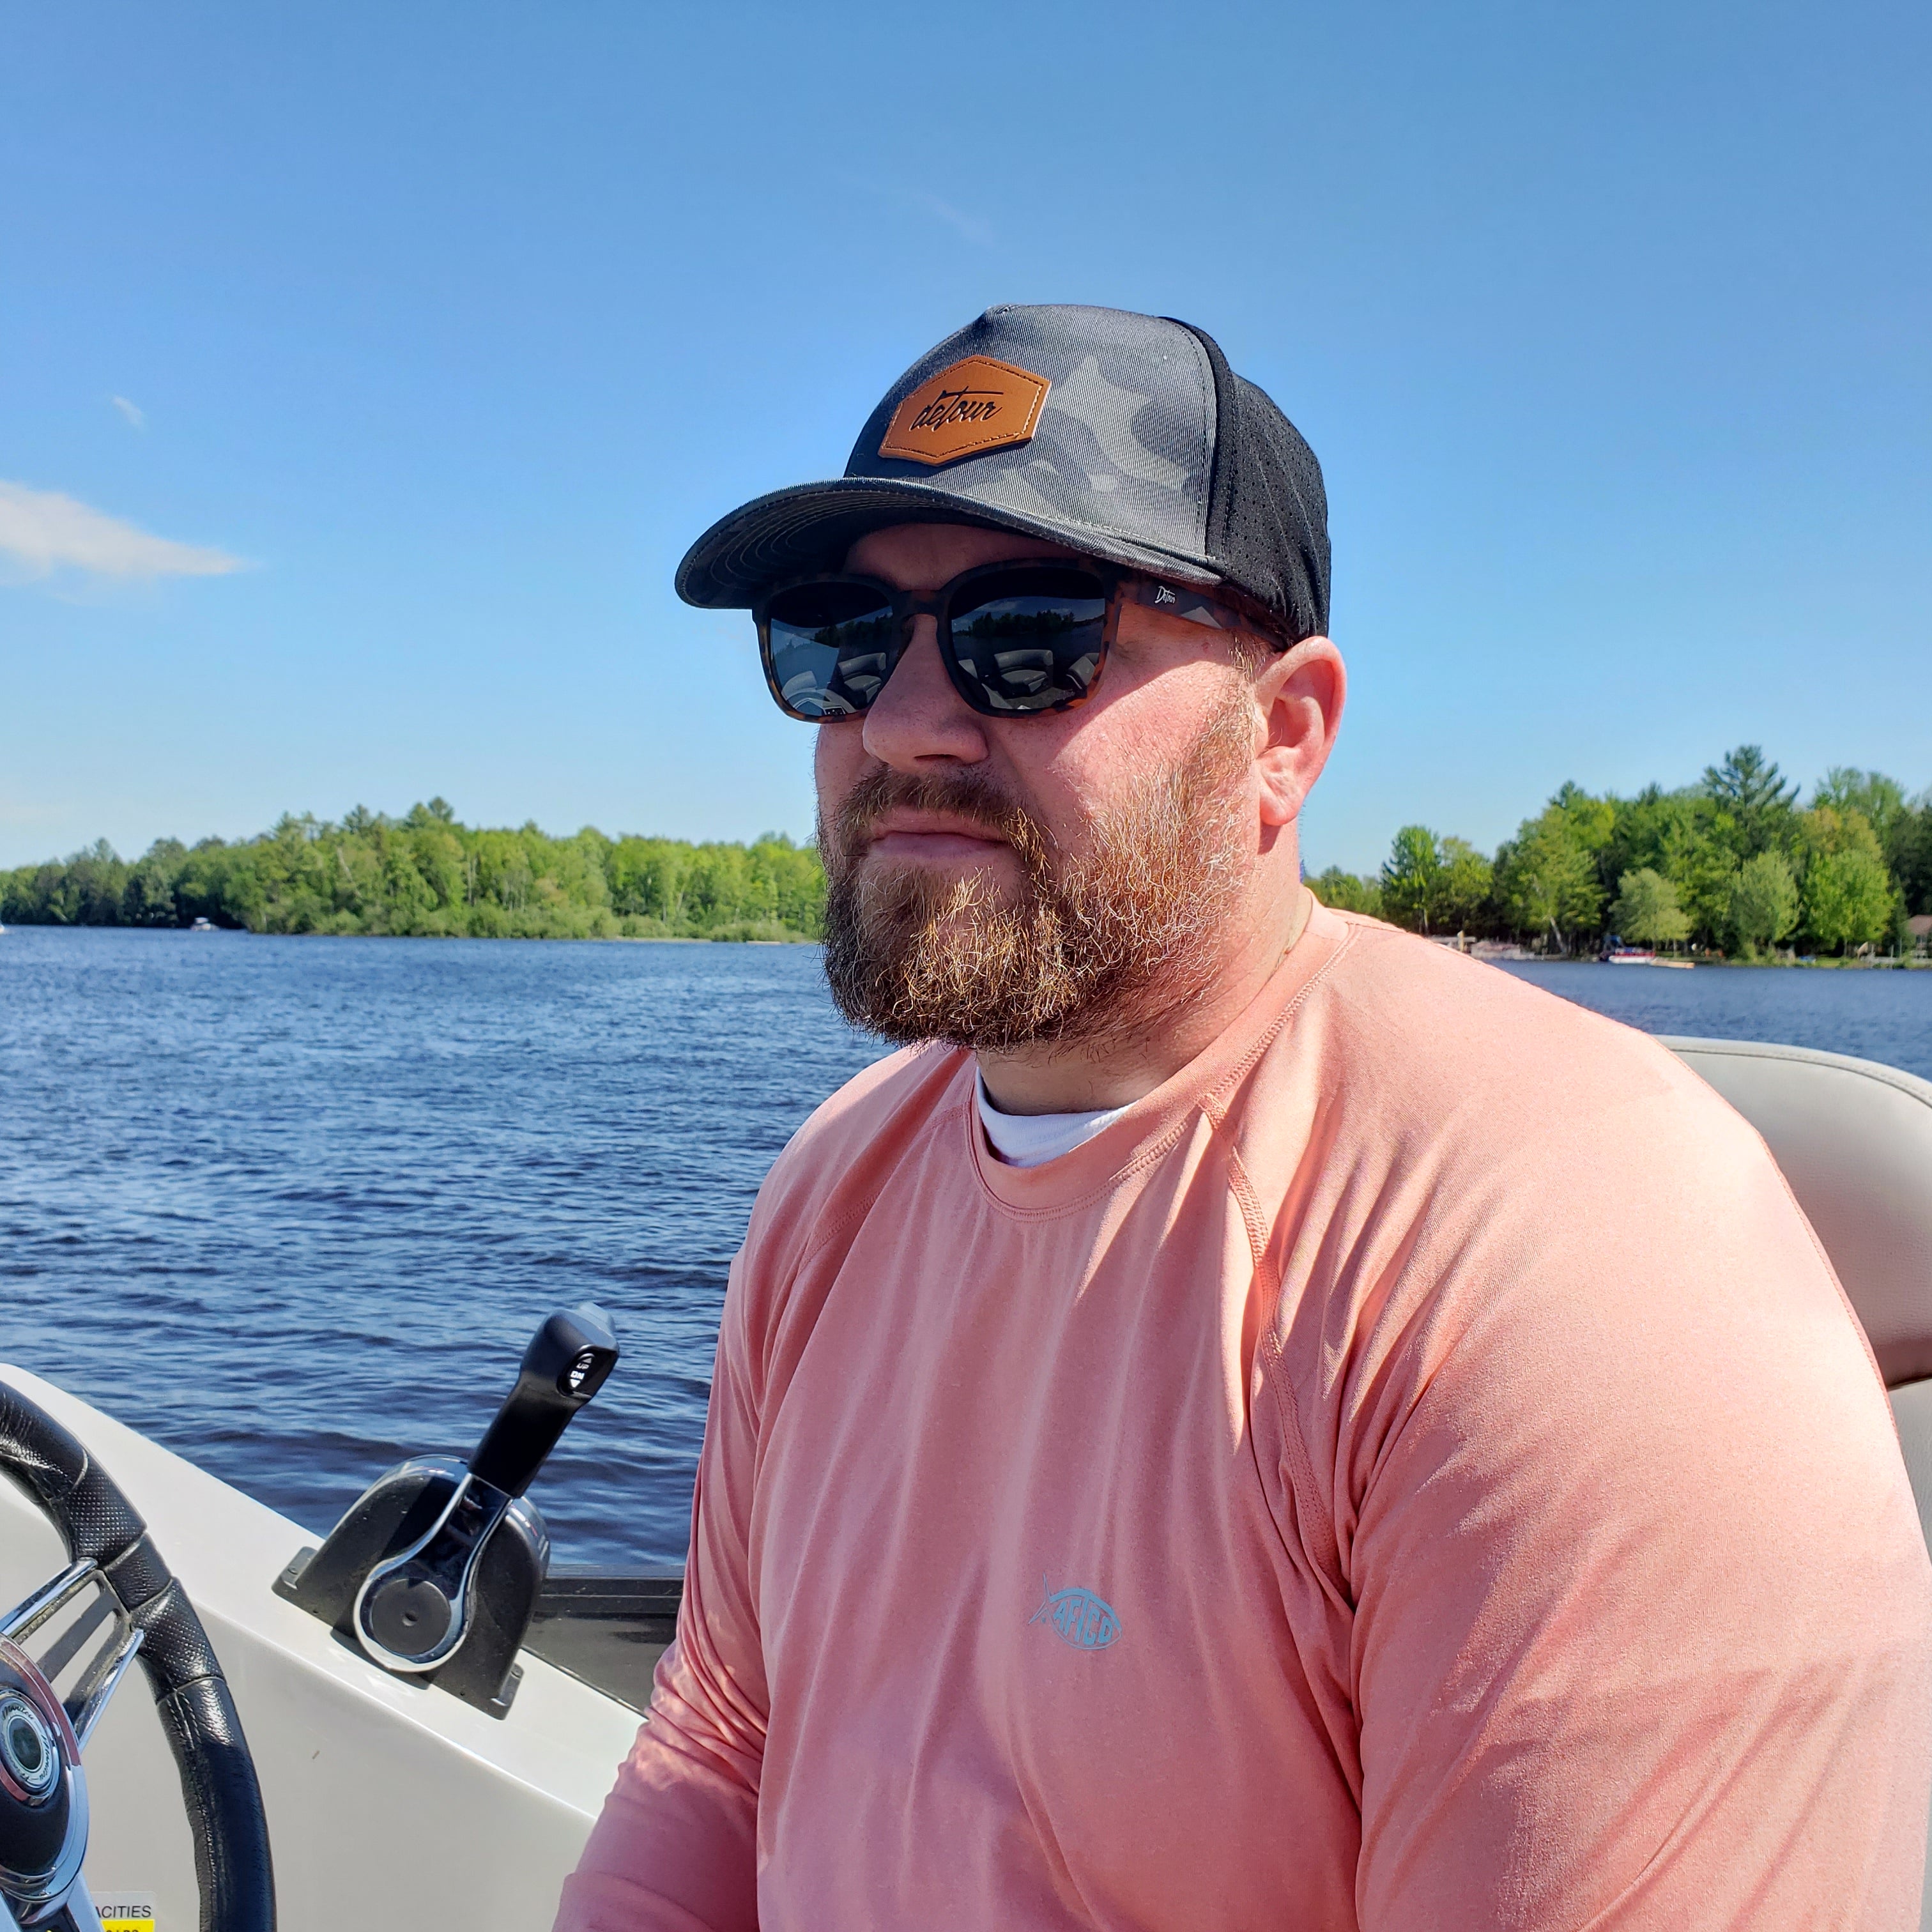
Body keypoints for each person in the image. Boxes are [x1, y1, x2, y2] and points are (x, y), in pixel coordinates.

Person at [556, 305, 1932, 1929]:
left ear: (1283, 740)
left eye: (1030, 634)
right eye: (839, 642)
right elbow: (724, 1743)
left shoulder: (1577, 1268)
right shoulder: (834, 1187)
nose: (905, 720)